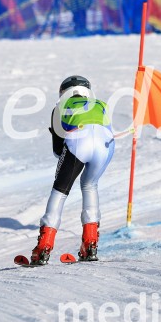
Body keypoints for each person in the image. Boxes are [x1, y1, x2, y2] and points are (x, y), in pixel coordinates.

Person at [29, 76, 115, 265]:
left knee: (60, 190)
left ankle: (44, 247)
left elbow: (58, 149)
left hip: (78, 143)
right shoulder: (101, 104)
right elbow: (105, 129)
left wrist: (68, 167)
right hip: (106, 146)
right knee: (90, 185)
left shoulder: (60, 107)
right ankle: (90, 244)